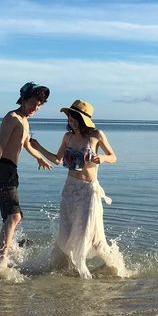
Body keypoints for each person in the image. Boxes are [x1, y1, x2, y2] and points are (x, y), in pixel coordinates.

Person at [31, 99, 129, 279]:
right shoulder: (68, 137)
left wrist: (102, 158)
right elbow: (58, 159)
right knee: (67, 231)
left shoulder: (96, 135)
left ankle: (109, 269)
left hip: (88, 191)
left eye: (76, 119)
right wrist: (38, 147)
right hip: (70, 189)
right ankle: (66, 269)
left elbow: (113, 156)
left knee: (88, 233)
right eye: (70, 119)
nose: (72, 123)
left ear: (84, 120)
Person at [0, 82, 53, 260]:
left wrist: (39, 157)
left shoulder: (24, 121)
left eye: (39, 105)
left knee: (9, 217)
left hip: (11, 170)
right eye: (33, 103)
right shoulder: (12, 118)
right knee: (15, 216)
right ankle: (2, 260)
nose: (35, 108)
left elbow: (26, 144)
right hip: (3, 169)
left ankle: (6, 253)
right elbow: (0, 146)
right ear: (23, 99)